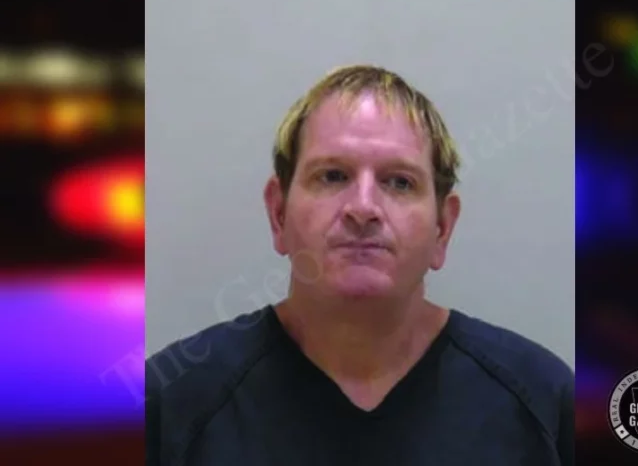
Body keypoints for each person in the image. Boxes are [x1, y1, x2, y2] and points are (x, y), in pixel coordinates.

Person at [145, 65, 574, 466]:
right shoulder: (173, 404)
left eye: (399, 182)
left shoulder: (543, 403)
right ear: (278, 215)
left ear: (442, 229)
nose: (363, 208)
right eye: (332, 176)